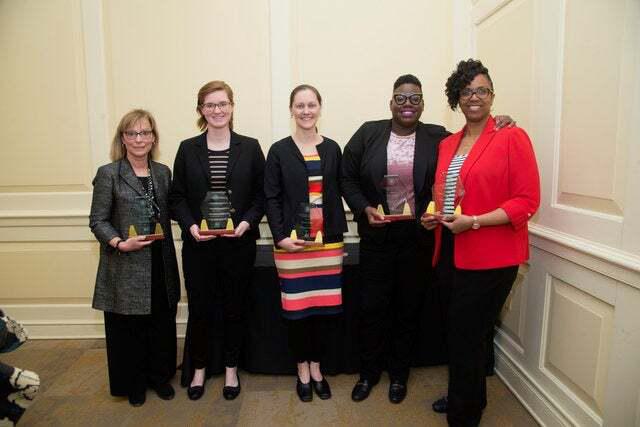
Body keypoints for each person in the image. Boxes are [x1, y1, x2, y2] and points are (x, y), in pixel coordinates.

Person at [341, 74, 515, 404]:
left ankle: (399, 376)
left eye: (415, 98)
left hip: (418, 239)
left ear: (423, 104)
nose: (408, 105)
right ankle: (368, 373)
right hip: (377, 238)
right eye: (401, 98)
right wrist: (364, 208)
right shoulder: (367, 133)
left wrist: (500, 122)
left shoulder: (438, 137)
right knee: (372, 307)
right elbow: (347, 178)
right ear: (390, 102)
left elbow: (474, 141)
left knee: (408, 309)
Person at [422, 59, 540, 426]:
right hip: (450, 249)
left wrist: (473, 222)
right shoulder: (447, 144)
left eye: (482, 90)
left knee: (468, 335)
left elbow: (526, 201)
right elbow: (446, 192)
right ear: (457, 97)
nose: (475, 97)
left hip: (492, 255)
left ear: (492, 96)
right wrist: (435, 216)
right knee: (461, 334)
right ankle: (467, 395)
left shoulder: (511, 136)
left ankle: (465, 413)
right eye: (467, 90)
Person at [169, 81, 265, 401]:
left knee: (234, 308)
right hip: (200, 246)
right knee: (200, 308)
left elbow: (260, 195)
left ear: (232, 107)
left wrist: (247, 222)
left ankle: (230, 369)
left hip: (238, 245)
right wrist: (191, 226)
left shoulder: (250, 147)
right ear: (201, 110)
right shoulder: (187, 148)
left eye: (222, 104)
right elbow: (177, 197)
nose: (217, 110)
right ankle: (198, 368)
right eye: (210, 105)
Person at [89, 109, 180, 407]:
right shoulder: (109, 173)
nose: (139, 139)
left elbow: (174, 210)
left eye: (145, 133)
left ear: (154, 137)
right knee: (130, 328)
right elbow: (98, 220)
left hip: (160, 262)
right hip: (126, 262)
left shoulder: (163, 172)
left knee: (160, 323)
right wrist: (119, 242)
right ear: (123, 138)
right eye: (132, 133)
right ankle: (135, 383)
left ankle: (159, 377)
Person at [264, 84, 347, 402]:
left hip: (327, 245)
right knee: (298, 313)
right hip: (292, 246)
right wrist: (280, 236)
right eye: (300, 105)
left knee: (324, 312)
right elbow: (271, 197)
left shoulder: (333, 149)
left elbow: (342, 188)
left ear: (320, 108)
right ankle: (301, 369)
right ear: (291, 110)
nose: (306, 111)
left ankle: (317, 368)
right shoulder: (279, 150)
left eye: (311, 105)